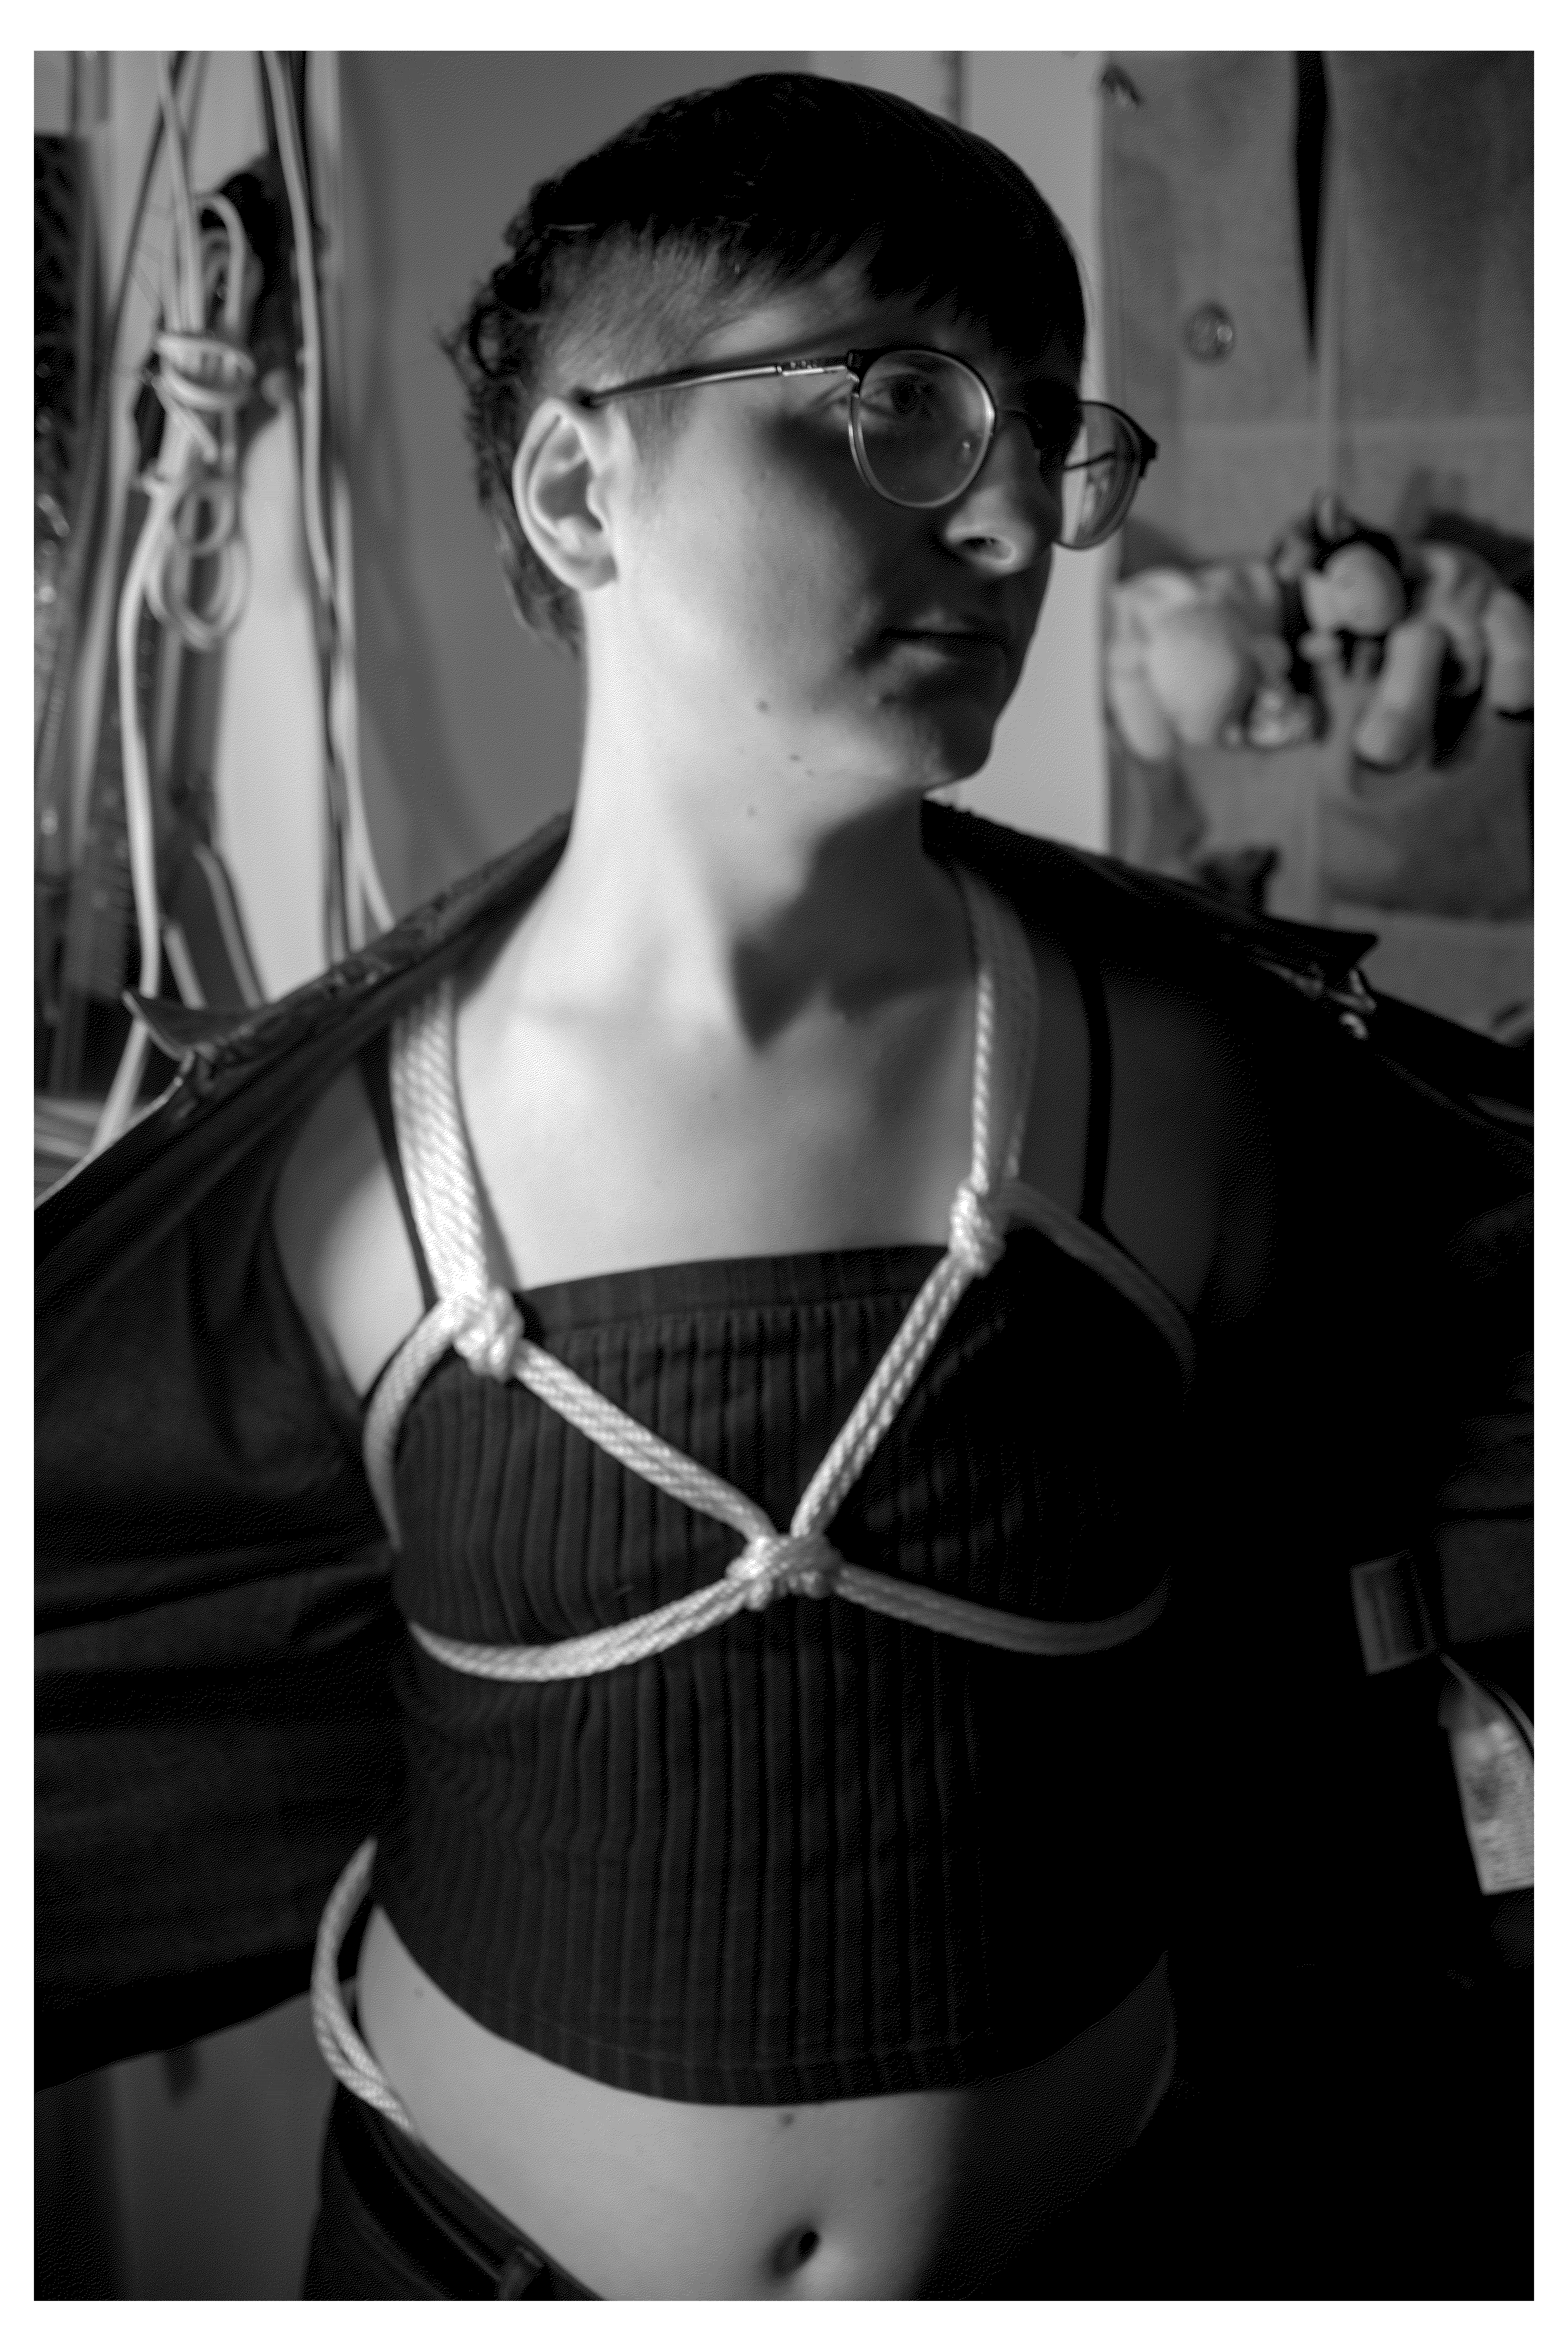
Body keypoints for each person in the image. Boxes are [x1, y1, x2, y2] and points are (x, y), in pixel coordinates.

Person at [36, 72, 1530, 2298]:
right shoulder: (331, 1160)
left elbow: (1364, 1552)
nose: (1014, 526)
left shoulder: (1198, 1085)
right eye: (904, 408)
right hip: (461, 2270)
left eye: (1050, 440)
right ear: (581, 486)